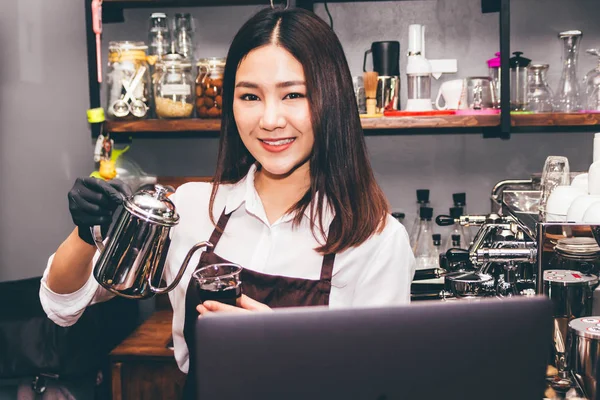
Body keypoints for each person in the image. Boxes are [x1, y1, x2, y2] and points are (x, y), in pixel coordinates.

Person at [40, 5, 415, 395]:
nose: (270, 119)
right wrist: (87, 232)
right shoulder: (189, 209)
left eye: (294, 94)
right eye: (250, 96)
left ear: (331, 100)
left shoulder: (376, 240)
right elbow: (62, 306)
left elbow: (382, 385)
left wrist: (290, 350)